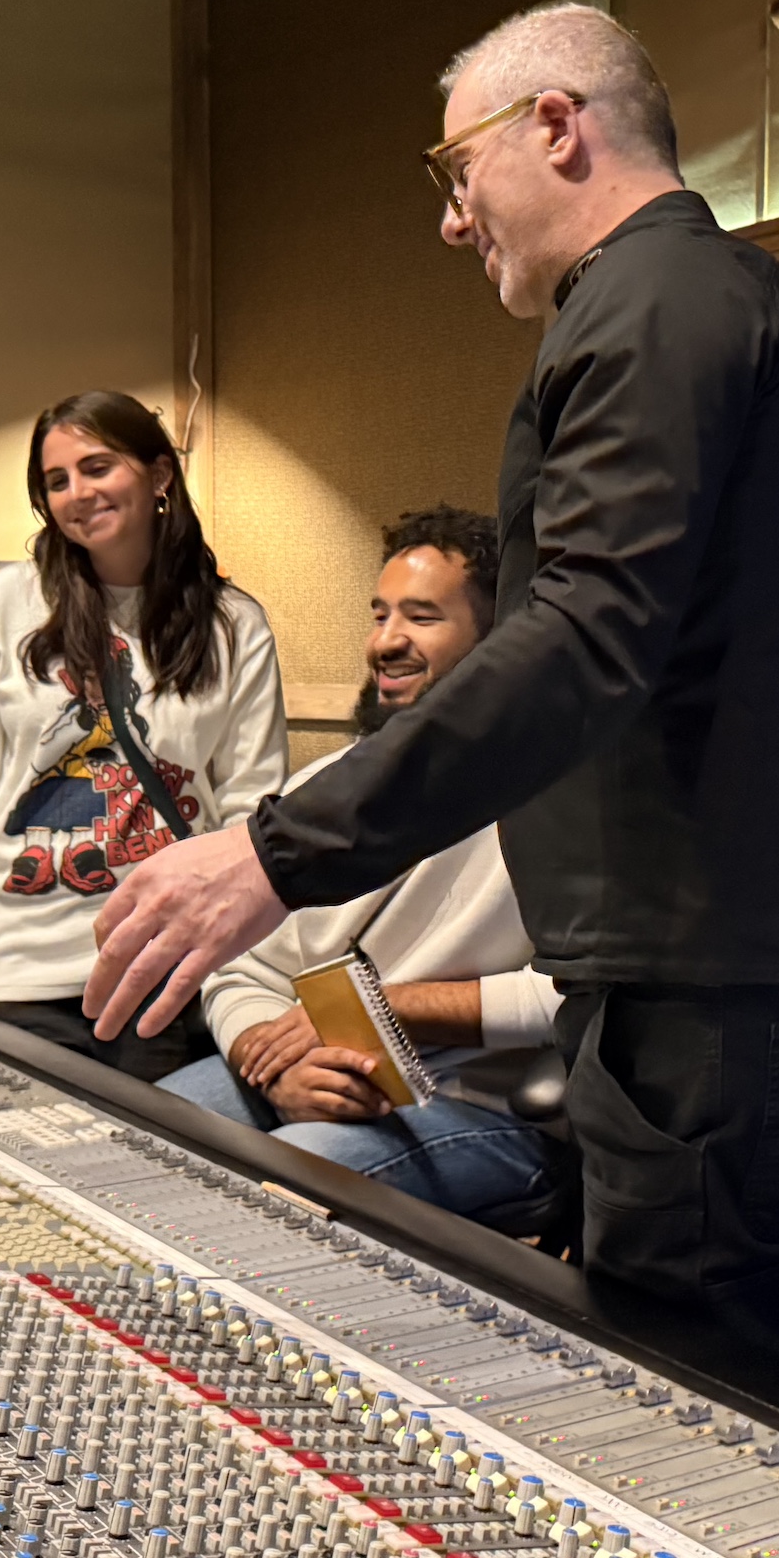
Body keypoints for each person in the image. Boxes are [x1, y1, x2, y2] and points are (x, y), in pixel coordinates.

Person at [75, 4, 779, 1369]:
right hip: (705, 990)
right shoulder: (665, 303)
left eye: (455, 173)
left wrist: (275, 855)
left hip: (726, 1005)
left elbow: (588, 636)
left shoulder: (658, 298)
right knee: (678, 1397)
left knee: (710, 1427)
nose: (454, 222)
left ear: (556, 126)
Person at [160, 507, 566, 1228]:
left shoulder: (564, 803)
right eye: (379, 615)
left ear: (502, 639)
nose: (385, 642)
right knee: (132, 1144)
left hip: (485, 1111)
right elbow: (240, 966)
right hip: (317, 1081)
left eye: (421, 617)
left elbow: (580, 1000)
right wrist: (272, 1059)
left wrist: (387, 1007)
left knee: (263, 1200)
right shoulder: (344, 784)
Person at [0, 391, 285, 1080]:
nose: (77, 494)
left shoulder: (233, 624)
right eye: (56, 481)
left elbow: (252, 805)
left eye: (97, 467)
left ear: (159, 476)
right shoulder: (6, 608)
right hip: (12, 971)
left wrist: (242, 955)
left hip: (161, 968)